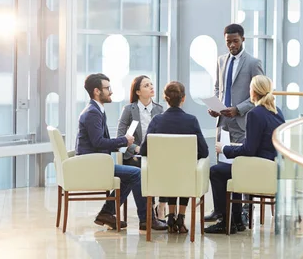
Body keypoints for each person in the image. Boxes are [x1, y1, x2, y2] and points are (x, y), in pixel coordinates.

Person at [204, 75, 285, 234]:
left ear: (253, 92)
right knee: (231, 170)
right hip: (271, 169)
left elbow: (249, 150)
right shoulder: (277, 112)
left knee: (216, 171)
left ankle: (225, 221)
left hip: (257, 170)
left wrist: (225, 149)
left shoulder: (255, 114)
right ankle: (236, 221)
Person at [75, 73, 150, 231]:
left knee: (131, 175)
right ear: (97, 91)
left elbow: (99, 142)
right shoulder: (93, 113)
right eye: (108, 88)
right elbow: (98, 142)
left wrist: (121, 143)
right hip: (93, 165)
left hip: (95, 162)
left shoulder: (96, 110)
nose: (111, 92)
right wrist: (124, 141)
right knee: (136, 174)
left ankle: (107, 213)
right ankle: (146, 220)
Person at [205, 23, 264, 222]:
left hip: (240, 120)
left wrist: (238, 109)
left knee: (241, 165)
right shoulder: (221, 61)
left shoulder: (253, 63)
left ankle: (244, 211)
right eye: (228, 42)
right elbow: (217, 88)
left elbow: (259, 94)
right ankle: (220, 209)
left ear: (243, 40)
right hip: (223, 121)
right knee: (221, 165)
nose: (231, 45)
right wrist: (214, 106)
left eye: (235, 41)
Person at [140, 81, 209, 234]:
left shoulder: (156, 120)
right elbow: (204, 151)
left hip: (161, 177)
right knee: (184, 170)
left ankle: (170, 216)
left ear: (165, 98)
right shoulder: (191, 121)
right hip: (186, 177)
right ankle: (181, 217)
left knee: (170, 171)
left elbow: (144, 150)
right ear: (183, 99)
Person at [116, 75, 167, 230]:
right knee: (139, 170)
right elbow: (120, 136)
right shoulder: (129, 109)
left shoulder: (159, 109)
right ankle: (147, 217)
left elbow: (164, 134)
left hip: (155, 154)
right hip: (135, 155)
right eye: (146, 85)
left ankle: (161, 207)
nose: (151, 87)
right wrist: (136, 148)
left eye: (151, 84)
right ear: (138, 91)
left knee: (167, 167)